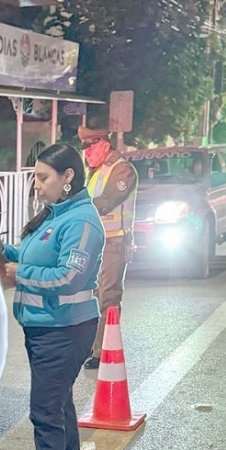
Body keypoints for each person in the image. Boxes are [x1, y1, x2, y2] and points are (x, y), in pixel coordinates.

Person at [0, 143, 104, 450]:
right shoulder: (56, 216)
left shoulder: (81, 222)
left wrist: (20, 273)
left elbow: (69, 277)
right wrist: (4, 251)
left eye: (43, 178)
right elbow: (35, 258)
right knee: (58, 403)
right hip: (44, 328)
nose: (37, 186)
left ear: (67, 177)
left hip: (65, 331)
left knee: (44, 410)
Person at [78, 125, 138, 370]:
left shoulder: (122, 170)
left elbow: (105, 202)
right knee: (90, 297)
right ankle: (93, 348)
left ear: (104, 144)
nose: (87, 153)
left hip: (114, 242)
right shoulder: (96, 170)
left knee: (108, 297)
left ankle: (104, 351)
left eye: (90, 147)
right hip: (95, 243)